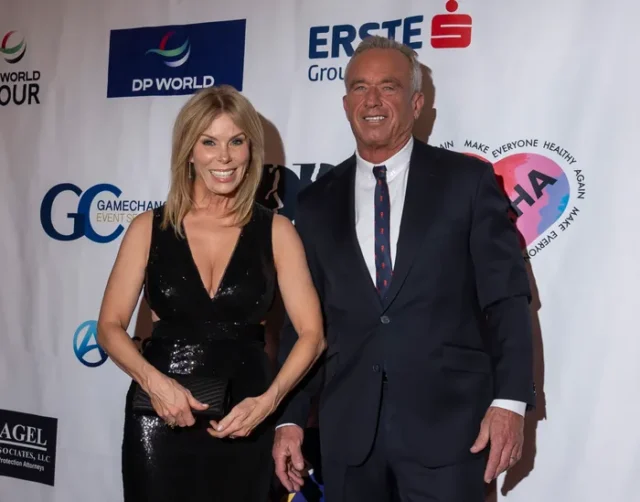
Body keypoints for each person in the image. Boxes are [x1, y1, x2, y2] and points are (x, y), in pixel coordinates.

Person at [272, 36, 535, 502]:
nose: (372, 100)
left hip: (451, 431)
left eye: (388, 87)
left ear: (416, 103)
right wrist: (290, 418)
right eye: (359, 87)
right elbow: (302, 322)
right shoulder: (314, 203)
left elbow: (507, 299)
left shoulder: (467, 182)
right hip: (349, 436)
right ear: (346, 103)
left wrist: (510, 401)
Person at [96, 85, 326, 501]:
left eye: (236, 141)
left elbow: (312, 335)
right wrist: (153, 382)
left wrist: (269, 402)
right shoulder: (148, 228)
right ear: (188, 150)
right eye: (209, 142)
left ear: (251, 150)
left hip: (245, 417)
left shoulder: (277, 232)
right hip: (160, 418)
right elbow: (109, 327)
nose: (224, 157)